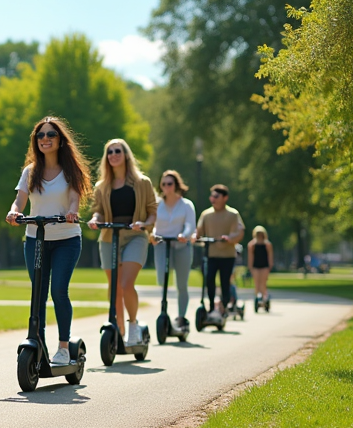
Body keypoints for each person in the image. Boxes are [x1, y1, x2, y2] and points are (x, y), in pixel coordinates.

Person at [6, 117, 92, 364]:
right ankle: (37, 343)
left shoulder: (70, 171)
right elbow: (20, 200)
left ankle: (64, 346)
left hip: (66, 239)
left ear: (60, 140)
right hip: (35, 238)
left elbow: (74, 199)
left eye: (50, 135)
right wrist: (14, 212)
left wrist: (72, 213)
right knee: (38, 293)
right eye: (40, 135)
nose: (45, 139)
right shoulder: (30, 172)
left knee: (58, 290)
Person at [87, 138, 157, 346]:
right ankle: (118, 327)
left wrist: (144, 224)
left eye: (118, 151)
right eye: (109, 152)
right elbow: (98, 211)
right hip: (110, 237)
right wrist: (95, 220)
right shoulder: (102, 186)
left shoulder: (142, 182)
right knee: (114, 286)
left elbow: (153, 211)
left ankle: (133, 325)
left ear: (126, 154)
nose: (113, 155)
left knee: (126, 284)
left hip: (135, 236)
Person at [149, 170, 196, 332]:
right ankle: (164, 312)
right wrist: (152, 235)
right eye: (163, 184)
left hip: (181, 245)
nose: (166, 187)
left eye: (170, 183)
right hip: (162, 244)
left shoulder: (186, 205)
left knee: (181, 284)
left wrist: (185, 234)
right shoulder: (157, 204)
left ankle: (181, 317)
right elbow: (152, 223)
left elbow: (190, 224)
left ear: (176, 185)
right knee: (162, 279)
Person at [193, 184, 245, 320]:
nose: (213, 199)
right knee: (209, 279)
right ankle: (211, 307)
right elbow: (198, 232)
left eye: (216, 196)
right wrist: (194, 237)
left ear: (225, 198)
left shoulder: (233, 214)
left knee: (225, 282)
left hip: (227, 256)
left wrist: (230, 238)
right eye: (212, 196)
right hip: (211, 255)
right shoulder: (206, 214)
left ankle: (224, 306)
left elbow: (238, 232)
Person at [248, 225, 274, 305]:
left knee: (263, 283)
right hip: (256, 265)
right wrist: (250, 266)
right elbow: (250, 256)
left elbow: (270, 255)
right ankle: (257, 298)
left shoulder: (267, 245)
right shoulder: (252, 245)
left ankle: (264, 297)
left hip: (264, 266)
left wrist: (270, 265)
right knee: (257, 283)